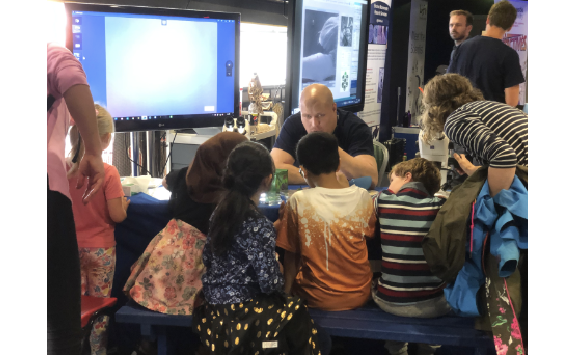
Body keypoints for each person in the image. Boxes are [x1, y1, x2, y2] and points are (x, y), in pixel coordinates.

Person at [194, 141, 330, 355]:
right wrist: (280, 269)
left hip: (213, 314)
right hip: (246, 317)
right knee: (318, 336)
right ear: (268, 180)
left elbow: (212, 259)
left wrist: (271, 232)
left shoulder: (220, 212)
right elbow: (270, 284)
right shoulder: (258, 224)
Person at [123, 132, 248, 316]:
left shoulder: (185, 176)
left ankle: (148, 342)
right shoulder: (234, 192)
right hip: (202, 264)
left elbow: (165, 182)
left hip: (166, 260)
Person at [47, 42, 105, 355]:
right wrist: (94, 151)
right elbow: (72, 79)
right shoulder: (46, 54)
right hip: (45, 196)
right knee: (61, 322)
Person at [276, 132, 376, 311]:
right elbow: (366, 237)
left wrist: (286, 294)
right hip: (360, 294)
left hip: (317, 298)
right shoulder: (363, 197)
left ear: (304, 171)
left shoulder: (299, 200)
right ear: (338, 164)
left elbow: (291, 255)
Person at [67, 104, 129, 355]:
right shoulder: (109, 173)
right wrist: (124, 204)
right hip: (101, 250)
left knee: (75, 307)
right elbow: (117, 215)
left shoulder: (62, 169)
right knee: (99, 307)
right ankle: (97, 351)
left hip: (71, 248)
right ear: (105, 139)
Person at [373, 158, 448, 355]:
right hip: (433, 305)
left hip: (390, 301)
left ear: (407, 177)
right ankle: (428, 349)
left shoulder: (382, 200)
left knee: (378, 283)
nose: (389, 186)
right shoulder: (441, 206)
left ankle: (397, 350)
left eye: (391, 180)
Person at [421, 73, 528, 197]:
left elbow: (505, 156)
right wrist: (475, 171)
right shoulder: (489, 108)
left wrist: (494, 204)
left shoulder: (455, 120)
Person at [271, 83, 377, 188]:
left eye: (320, 115)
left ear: (334, 109)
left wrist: (333, 150)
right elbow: (273, 171)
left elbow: (372, 179)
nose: (314, 124)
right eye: (307, 116)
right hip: (308, 196)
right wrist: (322, 179)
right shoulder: (293, 124)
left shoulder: (355, 127)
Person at [447, 0, 524, 107]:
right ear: (510, 27)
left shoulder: (461, 48)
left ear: (487, 19)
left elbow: (447, 86)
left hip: (462, 117)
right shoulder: (509, 55)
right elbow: (512, 102)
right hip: (492, 120)